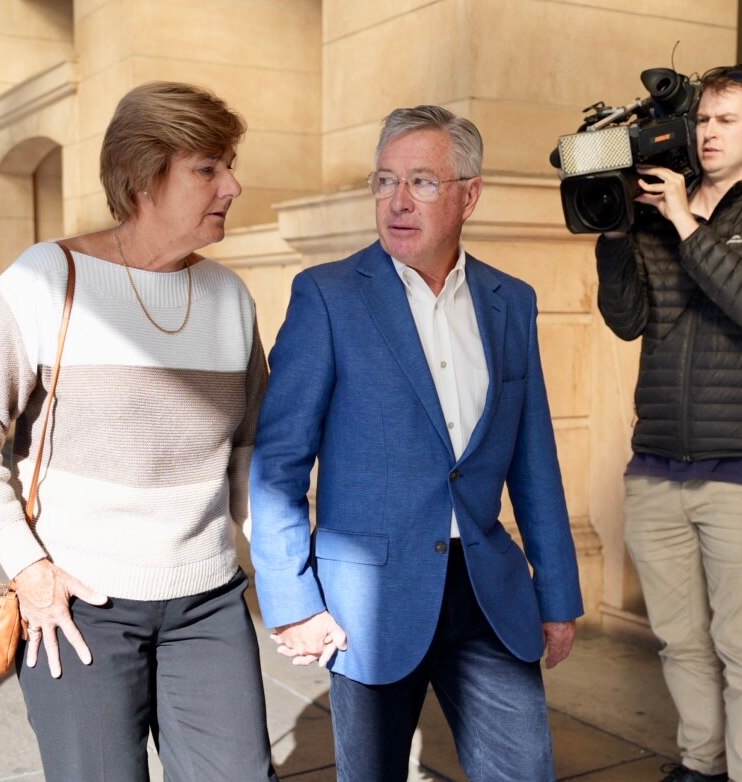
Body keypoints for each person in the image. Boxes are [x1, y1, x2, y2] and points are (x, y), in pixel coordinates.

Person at [0, 81, 277, 782]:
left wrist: (279, 573)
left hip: (207, 600)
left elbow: (251, 452)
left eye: (229, 163)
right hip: (77, 606)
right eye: (208, 167)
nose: (233, 185)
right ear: (145, 176)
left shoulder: (229, 298)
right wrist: (27, 566)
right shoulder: (45, 280)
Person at [250, 105, 584, 782]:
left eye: (423, 183)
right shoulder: (328, 296)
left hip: (488, 592)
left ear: (470, 193)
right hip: (367, 598)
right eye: (384, 182)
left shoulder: (509, 301)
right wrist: (293, 603)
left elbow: (534, 460)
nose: (397, 202)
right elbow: (278, 464)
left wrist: (557, 595)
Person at [595, 65, 742, 782]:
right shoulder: (658, 214)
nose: (709, 133)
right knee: (680, 642)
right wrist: (616, 231)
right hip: (656, 463)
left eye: (726, 119)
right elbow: (627, 321)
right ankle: (700, 764)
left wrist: (688, 219)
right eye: (703, 120)